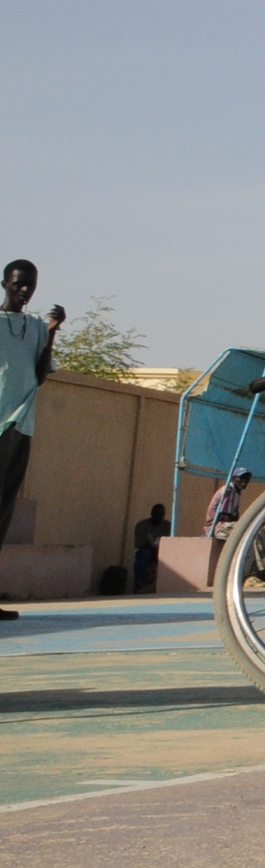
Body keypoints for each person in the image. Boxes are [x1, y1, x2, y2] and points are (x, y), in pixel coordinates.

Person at [0, 262, 64, 623]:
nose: (24, 291)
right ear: (5, 284)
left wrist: (53, 332)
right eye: (18, 284)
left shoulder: (38, 328)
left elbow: (39, 376)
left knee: (3, 510)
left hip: (20, 424)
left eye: (30, 286)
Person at [202, 468, 252, 566]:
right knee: (248, 534)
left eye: (246, 479)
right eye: (241, 478)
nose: (244, 481)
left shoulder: (237, 491)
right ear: (234, 478)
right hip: (217, 527)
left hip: (226, 525)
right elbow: (227, 516)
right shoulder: (228, 490)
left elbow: (235, 515)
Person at [130, 503, 171, 594]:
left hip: (163, 551)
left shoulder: (168, 526)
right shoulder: (142, 525)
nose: (159, 516)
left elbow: (169, 543)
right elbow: (141, 544)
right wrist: (155, 551)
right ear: (152, 513)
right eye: (157, 513)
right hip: (147, 550)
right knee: (143, 557)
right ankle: (138, 587)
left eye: (162, 514)